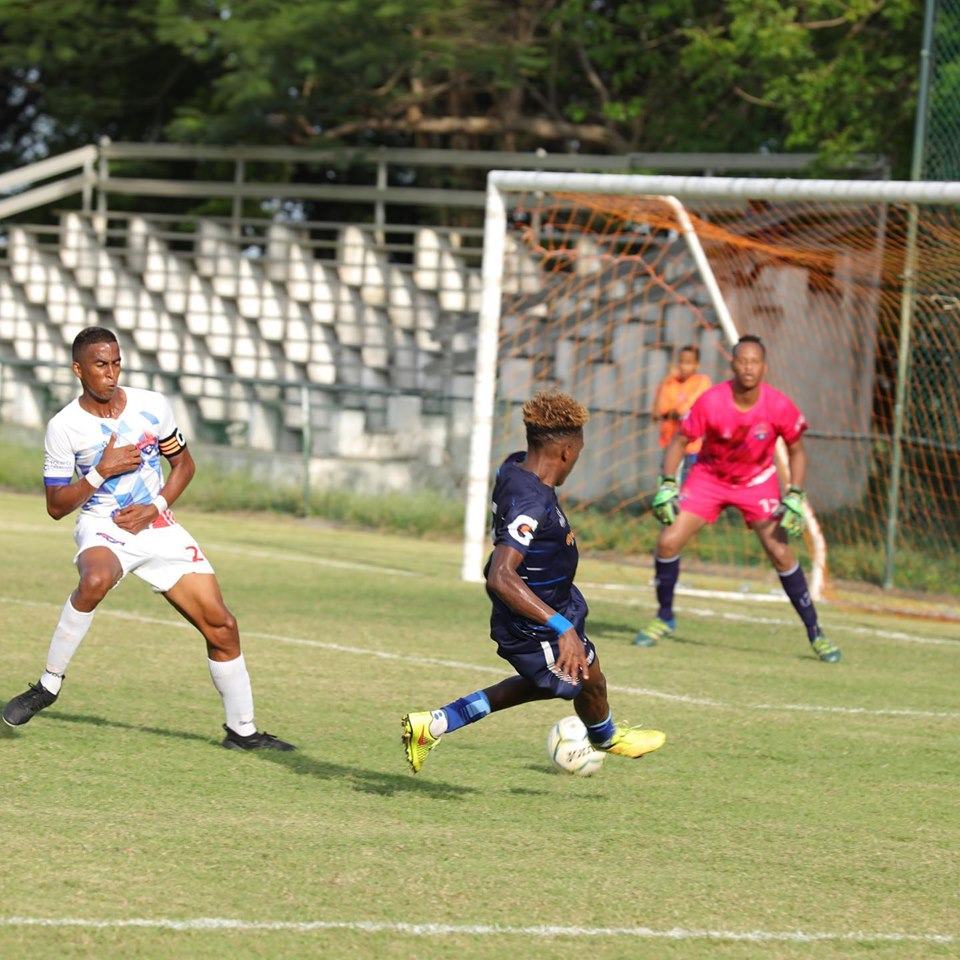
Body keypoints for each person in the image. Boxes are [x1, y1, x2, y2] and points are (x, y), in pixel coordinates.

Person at [2, 326, 296, 749]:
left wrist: (155, 508)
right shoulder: (64, 426)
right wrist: (102, 470)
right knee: (95, 580)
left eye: (117, 363)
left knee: (223, 627)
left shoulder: (153, 406)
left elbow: (185, 466)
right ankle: (48, 685)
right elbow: (56, 505)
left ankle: (242, 733)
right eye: (100, 365)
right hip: (104, 524)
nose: (111, 373)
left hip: (156, 524)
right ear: (78, 370)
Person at [401, 390, 665, 774]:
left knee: (561, 680)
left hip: (556, 599)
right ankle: (605, 738)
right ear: (566, 453)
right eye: (579, 449)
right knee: (585, 677)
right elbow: (501, 575)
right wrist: (561, 628)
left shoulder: (513, 467)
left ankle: (435, 724)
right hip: (536, 619)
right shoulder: (532, 503)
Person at [633, 334, 841, 663]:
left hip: (757, 482)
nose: (748, 367)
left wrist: (796, 495)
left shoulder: (778, 405)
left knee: (781, 553)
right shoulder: (712, 401)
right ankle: (664, 617)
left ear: (763, 367)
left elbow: (798, 451)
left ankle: (816, 633)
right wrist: (668, 483)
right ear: (732, 364)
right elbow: (678, 441)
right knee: (668, 541)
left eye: (754, 361)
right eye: (742, 360)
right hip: (709, 479)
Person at [652, 344, 712, 483]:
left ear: (696, 364)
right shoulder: (668, 384)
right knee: (667, 488)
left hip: (691, 447)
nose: (683, 366)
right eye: (681, 362)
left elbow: (686, 411)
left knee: (687, 487)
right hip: (669, 444)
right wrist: (663, 383)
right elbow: (656, 414)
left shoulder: (701, 381)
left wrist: (671, 413)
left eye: (688, 363)